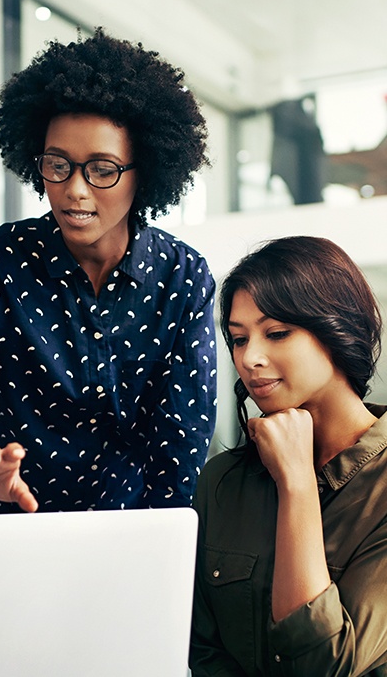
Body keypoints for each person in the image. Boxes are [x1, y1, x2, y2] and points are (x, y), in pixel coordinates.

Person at [0, 29, 217, 514]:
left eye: (103, 169)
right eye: (58, 165)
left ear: (145, 170)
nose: (75, 190)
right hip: (5, 535)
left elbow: (181, 448)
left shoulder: (182, 278)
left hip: (127, 543)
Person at [190, 236, 387, 676]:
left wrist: (296, 482)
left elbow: (325, 666)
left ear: (339, 330)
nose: (250, 358)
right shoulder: (222, 481)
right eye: (239, 340)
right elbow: (203, 652)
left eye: (277, 333)